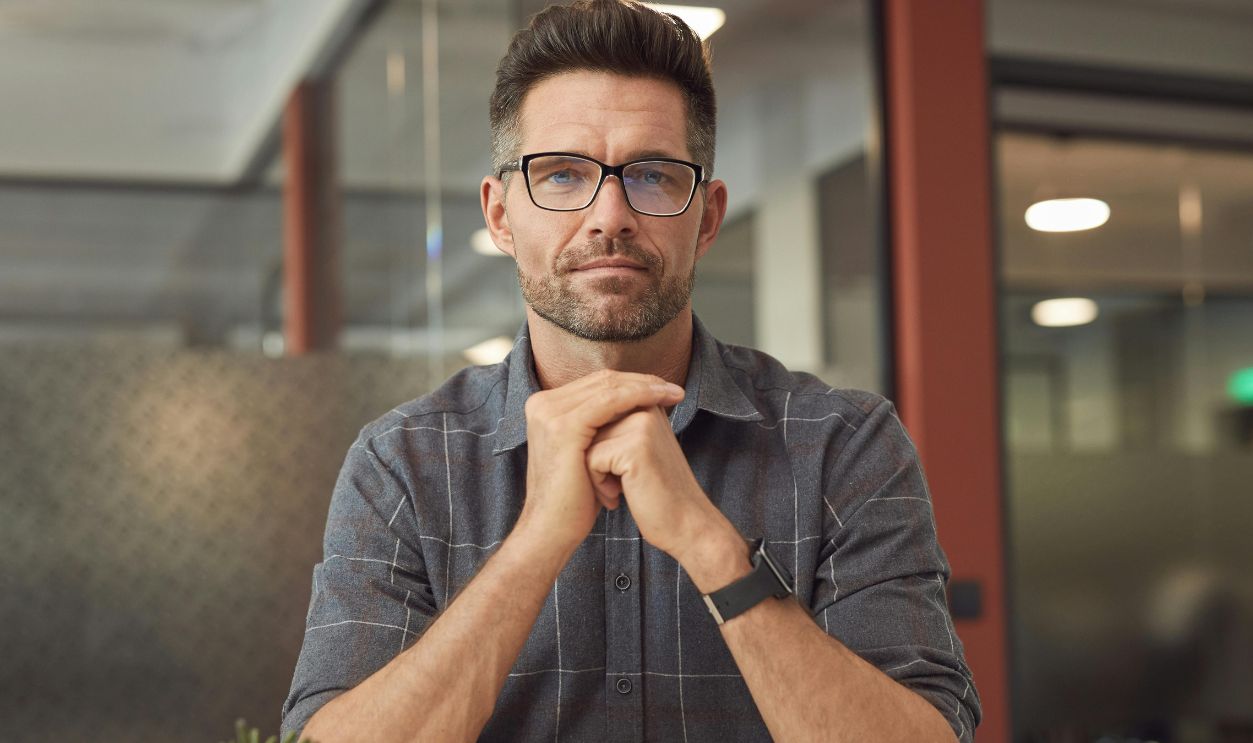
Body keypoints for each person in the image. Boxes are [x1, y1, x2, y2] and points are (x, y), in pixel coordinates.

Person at [281, 1, 980, 740]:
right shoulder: (402, 463)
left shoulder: (843, 443)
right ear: (499, 216)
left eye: (650, 175)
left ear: (706, 218)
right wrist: (534, 543)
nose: (608, 213)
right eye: (559, 174)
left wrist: (711, 545)